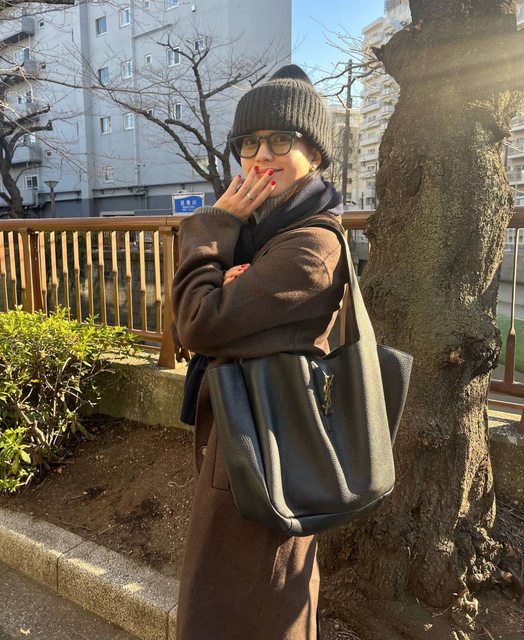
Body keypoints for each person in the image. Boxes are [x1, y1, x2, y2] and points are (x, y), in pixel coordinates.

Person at [172, 64, 347, 640]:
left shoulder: (309, 246)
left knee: (254, 606)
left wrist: (213, 226)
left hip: (271, 448)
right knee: (235, 599)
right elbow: (198, 317)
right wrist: (223, 267)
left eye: (280, 139)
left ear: (314, 154)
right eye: (249, 142)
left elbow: (197, 323)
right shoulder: (263, 233)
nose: (261, 155)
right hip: (249, 437)